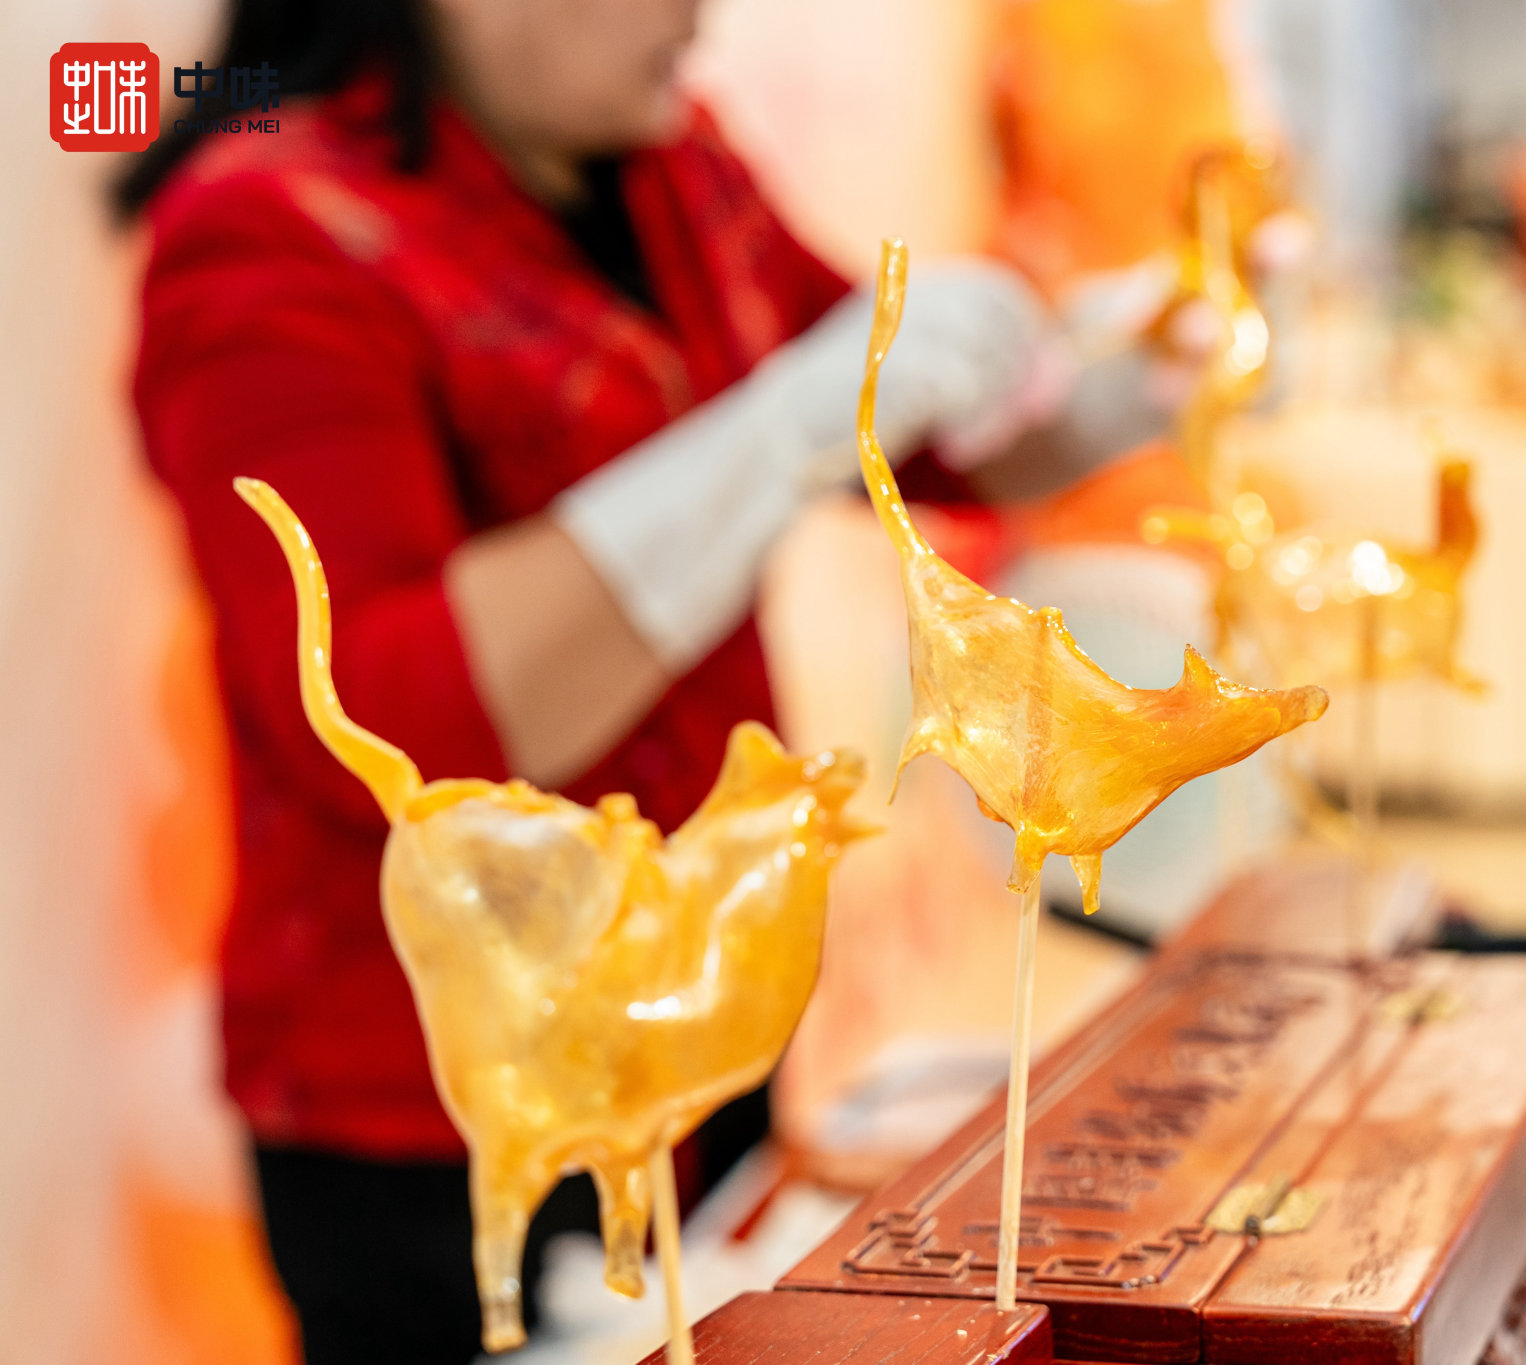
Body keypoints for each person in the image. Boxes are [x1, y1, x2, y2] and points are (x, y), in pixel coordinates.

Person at [120, 0, 1156, 1358]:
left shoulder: (673, 166)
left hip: (698, 1016)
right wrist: (779, 427)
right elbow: (390, 720)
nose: (693, 17)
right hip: (446, 1104)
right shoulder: (270, 231)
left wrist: (1132, 371)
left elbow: (925, 436)